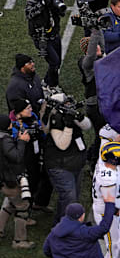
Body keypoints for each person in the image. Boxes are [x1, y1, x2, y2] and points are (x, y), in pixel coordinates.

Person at [44, 93, 93, 223]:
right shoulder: (56, 119)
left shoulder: (68, 113)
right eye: (66, 103)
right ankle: (63, 227)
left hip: (75, 162)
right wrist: (69, 126)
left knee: (72, 196)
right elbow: (62, 145)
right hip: (60, 165)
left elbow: (88, 126)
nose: (69, 105)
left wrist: (79, 118)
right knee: (69, 197)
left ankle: (62, 222)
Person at [25, 0, 66, 87]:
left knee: (57, 63)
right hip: (40, 35)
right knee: (54, 62)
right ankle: (51, 85)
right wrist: (42, 4)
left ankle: (48, 83)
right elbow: (28, 13)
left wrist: (57, 3)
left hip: (54, 33)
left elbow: (62, 13)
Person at [9, 99, 53, 213]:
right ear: (19, 112)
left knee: (45, 178)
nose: (31, 109)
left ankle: (39, 203)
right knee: (31, 183)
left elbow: (40, 129)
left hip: (38, 153)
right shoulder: (13, 125)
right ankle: (24, 212)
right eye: (27, 108)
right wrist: (21, 139)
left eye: (30, 107)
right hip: (26, 159)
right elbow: (13, 145)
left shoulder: (32, 116)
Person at [0, 114, 33, 248]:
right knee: (22, 207)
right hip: (10, 180)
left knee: (9, 204)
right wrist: (22, 141)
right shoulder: (5, 140)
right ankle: (19, 241)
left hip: (3, 180)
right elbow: (17, 157)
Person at [77, 29, 106, 167]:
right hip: (95, 107)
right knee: (102, 135)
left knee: (105, 134)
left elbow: (103, 46)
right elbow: (91, 55)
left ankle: (91, 156)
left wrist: (99, 29)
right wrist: (94, 33)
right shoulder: (86, 64)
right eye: (95, 47)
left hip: (103, 103)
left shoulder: (101, 59)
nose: (98, 48)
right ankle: (93, 161)